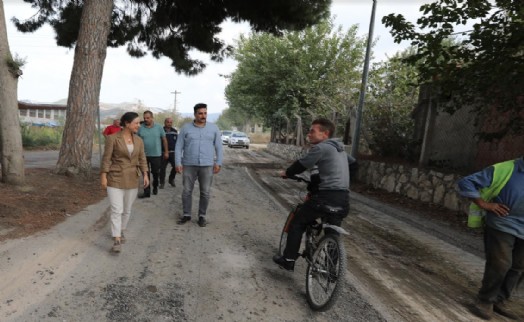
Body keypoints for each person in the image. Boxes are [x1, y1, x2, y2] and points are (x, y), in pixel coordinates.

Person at [273, 118, 355, 271]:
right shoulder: (340, 150)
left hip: (325, 197)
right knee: (332, 230)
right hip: (343, 199)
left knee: (298, 222)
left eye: (312, 131)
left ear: (325, 134)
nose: (308, 134)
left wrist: (287, 173)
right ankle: (330, 271)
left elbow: (301, 165)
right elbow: (354, 164)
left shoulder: (321, 148)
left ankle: (288, 259)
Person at [457, 157, 524, 320]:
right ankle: (484, 301)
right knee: (501, 263)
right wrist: (485, 204)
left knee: (518, 267)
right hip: (503, 223)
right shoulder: (505, 169)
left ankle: (499, 300)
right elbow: (466, 182)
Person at [100, 112, 149, 253]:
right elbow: (106, 159)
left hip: (133, 178)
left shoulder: (139, 141)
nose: (139, 125)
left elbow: (142, 158)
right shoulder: (112, 139)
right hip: (115, 177)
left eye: (139, 123)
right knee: (117, 209)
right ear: (127, 123)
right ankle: (116, 239)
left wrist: (145, 174)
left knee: (127, 209)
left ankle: (121, 230)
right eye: (136, 123)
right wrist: (103, 175)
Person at [175, 103, 223, 227]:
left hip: (207, 165)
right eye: (200, 113)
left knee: (205, 192)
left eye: (205, 113)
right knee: (186, 191)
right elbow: (178, 146)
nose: (203, 116)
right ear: (195, 114)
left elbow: (219, 147)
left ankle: (202, 216)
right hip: (189, 164)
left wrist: (218, 162)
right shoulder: (186, 128)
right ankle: (186, 215)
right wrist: (177, 162)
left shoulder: (214, 128)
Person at [137, 110, 168, 198]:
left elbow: (164, 139)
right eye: (144, 118)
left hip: (156, 155)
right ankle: (147, 192)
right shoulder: (140, 127)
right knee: (145, 173)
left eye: (148, 118)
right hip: (143, 155)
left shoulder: (158, 127)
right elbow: (136, 140)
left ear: (152, 118)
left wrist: (166, 151)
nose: (146, 119)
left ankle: (155, 186)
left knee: (155, 173)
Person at [159, 117, 178, 188]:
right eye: (168, 122)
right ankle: (162, 183)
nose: (169, 124)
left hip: (173, 152)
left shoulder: (175, 131)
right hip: (163, 152)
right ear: (165, 123)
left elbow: (177, 142)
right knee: (162, 168)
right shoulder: (161, 130)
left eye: (171, 122)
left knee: (176, 167)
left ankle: (171, 179)